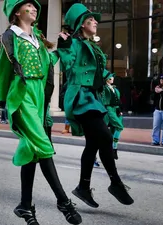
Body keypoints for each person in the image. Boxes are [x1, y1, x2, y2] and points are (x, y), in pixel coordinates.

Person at [0, 1, 82, 224]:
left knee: (31, 151)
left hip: (40, 95)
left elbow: (47, 62)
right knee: (43, 145)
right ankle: (64, 202)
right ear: (17, 11)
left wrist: (61, 47)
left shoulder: (37, 38)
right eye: (28, 6)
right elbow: (4, 69)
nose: (34, 8)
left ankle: (25, 206)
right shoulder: (10, 36)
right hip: (21, 95)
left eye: (35, 6)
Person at [57, 3, 133, 208]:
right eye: (90, 20)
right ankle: (115, 182)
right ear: (81, 24)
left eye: (94, 20)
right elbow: (68, 65)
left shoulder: (94, 46)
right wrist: (63, 46)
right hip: (81, 96)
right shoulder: (73, 43)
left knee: (94, 143)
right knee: (106, 137)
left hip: (94, 98)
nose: (95, 22)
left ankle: (83, 187)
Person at [100, 69, 123, 160]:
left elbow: (118, 100)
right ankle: (114, 149)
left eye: (112, 76)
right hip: (108, 108)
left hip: (116, 109)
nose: (112, 78)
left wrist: (119, 109)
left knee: (114, 130)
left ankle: (112, 150)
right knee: (119, 126)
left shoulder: (115, 89)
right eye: (110, 77)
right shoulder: (104, 88)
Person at [151, 74, 163, 146]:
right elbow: (153, 98)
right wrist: (155, 91)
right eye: (160, 79)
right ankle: (155, 140)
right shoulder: (158, 87)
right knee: (156, 126)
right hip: (157, 110)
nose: (161, 80)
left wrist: (161, 91)